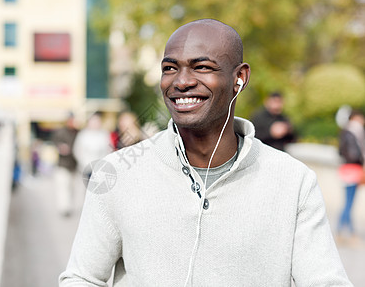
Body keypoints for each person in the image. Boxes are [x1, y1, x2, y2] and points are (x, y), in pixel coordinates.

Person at [59, 19, 351, 286]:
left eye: (202, 67)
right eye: (170, 68)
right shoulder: (117, 174)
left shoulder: (294, 182)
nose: (181, 81)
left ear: (240, 78)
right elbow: (81, 277)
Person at [337, 110, 365, 242]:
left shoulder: (346, 131)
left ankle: (344, 230)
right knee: (349, 202)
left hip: (347, 169)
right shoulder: (353, 132)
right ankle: (344, 231)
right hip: (352, 169)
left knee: (348, 201)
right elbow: (353, 154)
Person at [51, 114, 78, 216]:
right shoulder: (61, 132)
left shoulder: (77, 132)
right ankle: (64, 208)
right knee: (63, 187)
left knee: (71, 188)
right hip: (62, 164)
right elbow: (55, 143)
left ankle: (69, 206)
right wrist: (60, 148)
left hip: (73, 165)